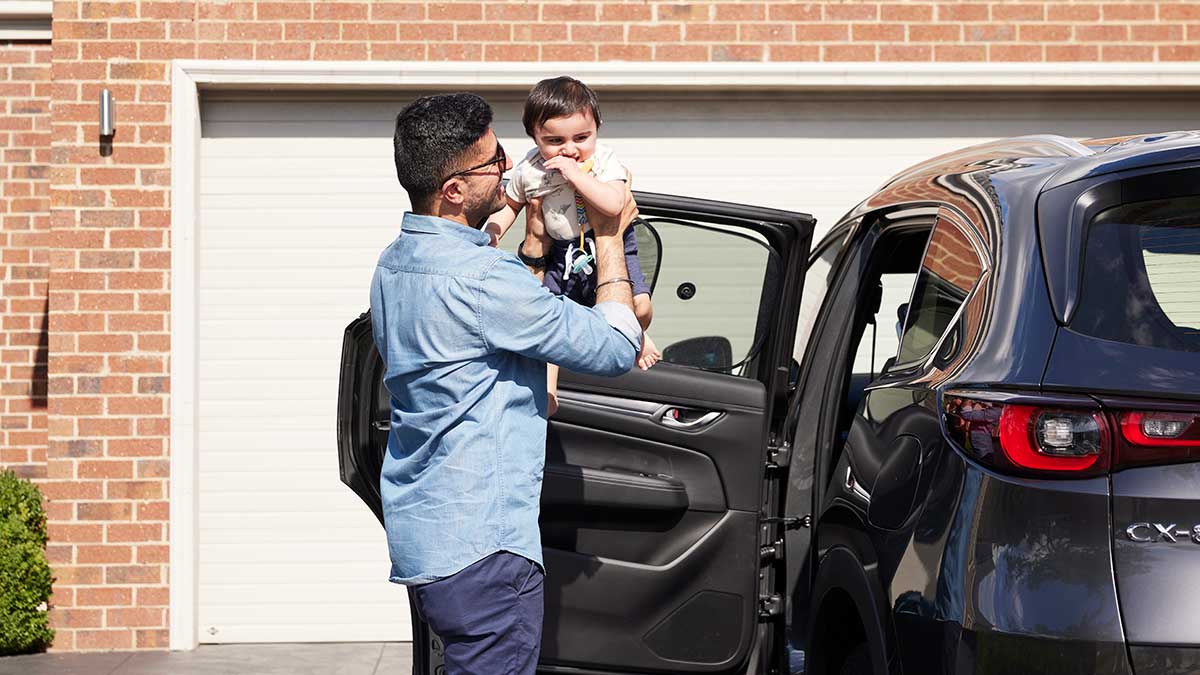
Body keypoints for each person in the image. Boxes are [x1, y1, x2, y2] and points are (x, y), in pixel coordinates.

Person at [370, 92, 642, 675]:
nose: (507, 170)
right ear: (452, 191)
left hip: (427, 536)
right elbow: (616, 347)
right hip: (485, 548)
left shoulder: (394, 264)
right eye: (492, 163)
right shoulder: (483, 279)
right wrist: (611, 235)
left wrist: (536, 251)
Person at [484, 76, 660, 414]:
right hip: (562, 255)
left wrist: (577, 175)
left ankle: (638, 334)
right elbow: (510, 205)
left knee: (638, 305)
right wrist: (491, 234)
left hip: (611, 245)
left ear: (598, 128)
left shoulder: (605, 162)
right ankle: (549, 392)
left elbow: (613, 205)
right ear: (534, 138)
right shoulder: (529, 170)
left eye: (582, 137)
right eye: (554, 140)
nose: (570, 149)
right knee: (550, 320)